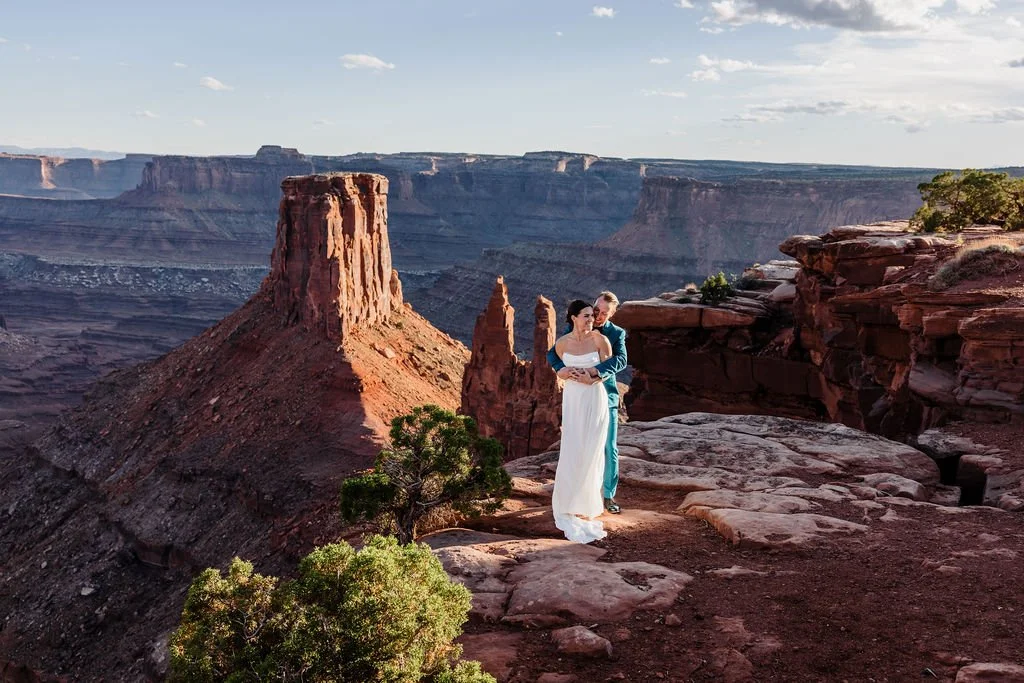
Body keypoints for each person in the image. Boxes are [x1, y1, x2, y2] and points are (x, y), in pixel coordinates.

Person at [547, 291, 627, 513]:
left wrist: (594, 372)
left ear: (612, 314)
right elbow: (553, 353)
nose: (598, 316)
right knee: (578, 443)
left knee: (607, 446)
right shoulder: (578, 325)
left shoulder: (616, 334)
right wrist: (559, 369)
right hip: (576, 397)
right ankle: (579, 492)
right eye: (596, 310)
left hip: (605, 395)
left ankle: (608, 495)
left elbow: (621, 360)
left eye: (603, 313)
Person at [550, 300, 613, 544]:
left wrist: (594, 378)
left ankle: (586, 502)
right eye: (586, 316)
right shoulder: (561, 344)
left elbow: (608, 370)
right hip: (573, 398)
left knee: (592, 448)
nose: (590, 320)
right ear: (573, 318)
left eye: (592, 316)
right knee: (573, 447)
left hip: (594, 396)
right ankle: (568, 501)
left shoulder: (600, 340)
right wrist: (562, 373)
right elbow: (559, 368)